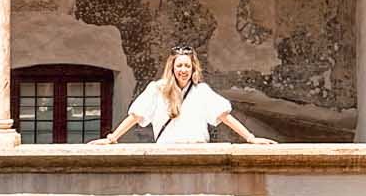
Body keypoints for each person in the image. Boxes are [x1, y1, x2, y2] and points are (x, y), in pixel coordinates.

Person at [91, 47, 275, 146]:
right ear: (172, 67)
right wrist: (112, 138)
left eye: (187, 66)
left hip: (197, 150)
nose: (183, 70)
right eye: (179, 66)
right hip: (167, 151)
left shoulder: (201, 91)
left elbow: (224, 116)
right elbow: (136, 116)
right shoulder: (157, 89)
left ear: (193, 68)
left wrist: (250, 138)